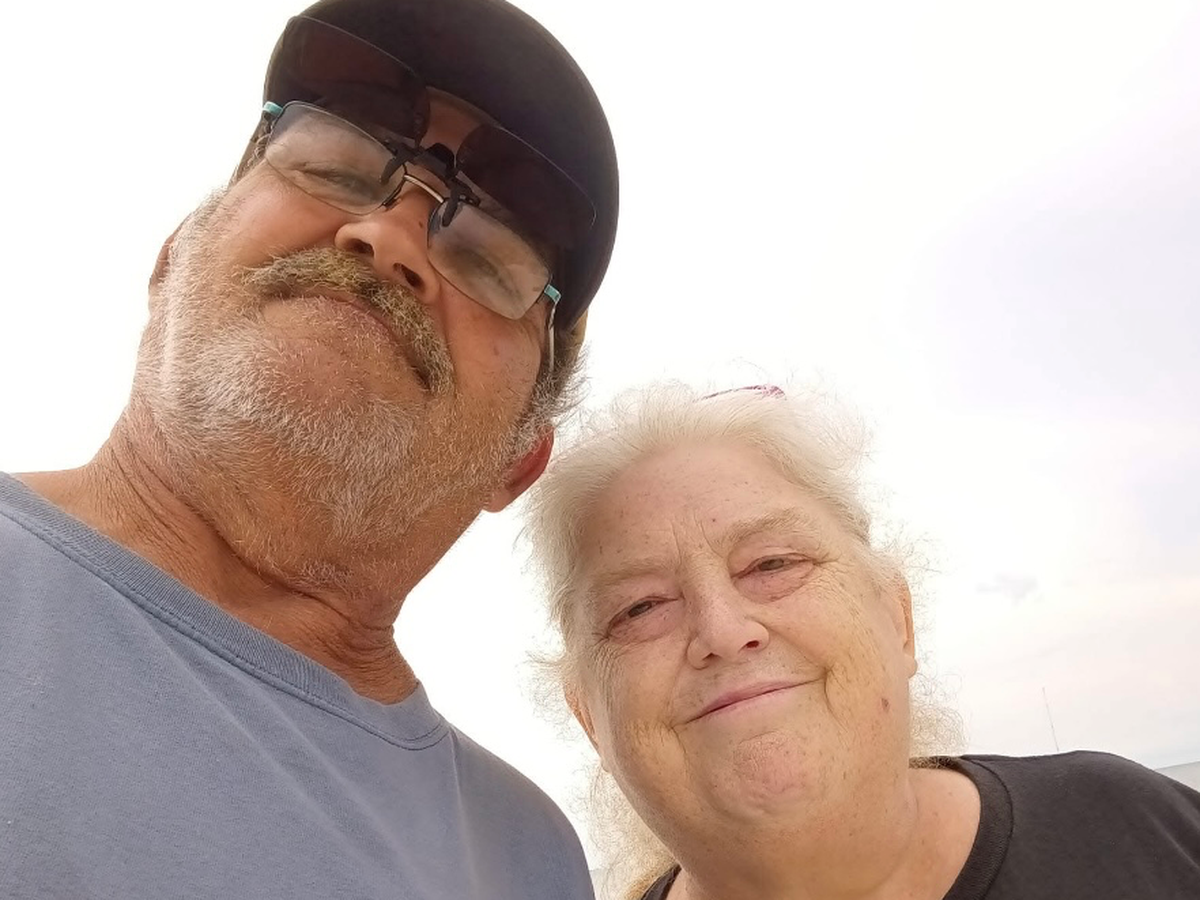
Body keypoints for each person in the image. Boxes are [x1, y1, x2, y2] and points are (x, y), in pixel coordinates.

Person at [0, 1, 617, 897]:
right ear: (172, 262)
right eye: (334, 164)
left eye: (490, 258)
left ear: (516, 463)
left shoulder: (530, 864)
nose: (390, 237)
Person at [523, 383, 1200, 900]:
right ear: (589, 718)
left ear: (897, 619)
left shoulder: (1142, 832)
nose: (723, 631)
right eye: (640, 608)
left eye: (773, 564)